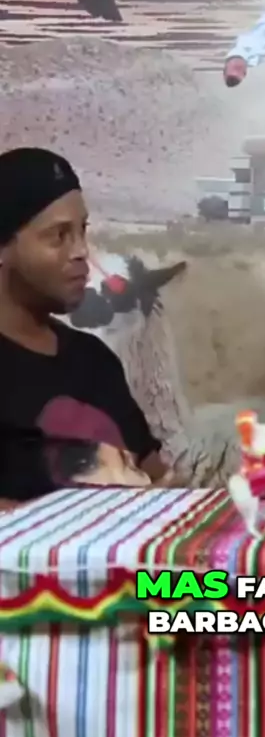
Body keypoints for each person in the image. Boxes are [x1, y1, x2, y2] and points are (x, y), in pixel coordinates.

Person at [0, 147, 177, 510]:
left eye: (82, 230)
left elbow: (158, 479)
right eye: (59, 235)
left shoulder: (95, 360)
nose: (82, 251)